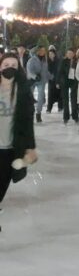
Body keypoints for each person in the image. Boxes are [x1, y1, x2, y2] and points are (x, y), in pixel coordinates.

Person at [0, 52, 37, 233]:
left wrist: (30, 147)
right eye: (6, 64)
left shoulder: (23, 92)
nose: (9, 68)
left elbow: (28, 122)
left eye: (13, 66)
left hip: (10, 149)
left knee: (1, 186)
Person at [26, 45, 50, 124]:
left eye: (44, 50)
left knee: (41, 97)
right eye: (41, 50)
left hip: (41, 81)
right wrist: (35, 76)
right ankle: (29, 113)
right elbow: (29, 70)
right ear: (37, 51)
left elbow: (45, 71)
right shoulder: (32, 59)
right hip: (32, 81)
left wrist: (52, 77)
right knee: (29, 98)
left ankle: (38, 113)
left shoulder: (45, 60)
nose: (42, 52)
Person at [57, 47, 79, 124]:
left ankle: (75, 116)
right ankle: (66, 117)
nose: (69, 55)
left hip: (74, 82)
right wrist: (57, 82)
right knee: (65, 100)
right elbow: (59, 72)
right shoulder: (63, 61)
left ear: (74, 54)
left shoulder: (77, 62)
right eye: (68, 53)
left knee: (74, 99)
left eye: (71, 53)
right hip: (64, 82)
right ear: (66, 54)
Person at [46, 45, 61, 113]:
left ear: (55, 54)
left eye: (52, 54)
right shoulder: (47, 61)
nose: (51, 55)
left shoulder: (58, 61)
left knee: (59, 93)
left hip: (58, 79)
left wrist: (58, 81)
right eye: (49, 54)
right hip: (51, 80)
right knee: (50, 94)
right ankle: (49, 108)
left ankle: (60, 107)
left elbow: (59, 71)